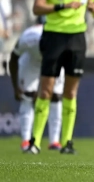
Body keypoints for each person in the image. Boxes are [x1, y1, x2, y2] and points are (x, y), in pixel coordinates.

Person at [25, 0, 94, 154]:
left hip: (77, 38)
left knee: (71, 91)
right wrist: (62, 6)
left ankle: (67, 142)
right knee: (47, 89)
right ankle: (35, 141)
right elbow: (37, 8)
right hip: (54, 37)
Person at [9, 16, 64, 151]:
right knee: (27, 96)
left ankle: (54, 141)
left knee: (56, 96)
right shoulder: (28, 38)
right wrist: (16, 87)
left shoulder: (60, 38)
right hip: (32, 60)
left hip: (53, 60)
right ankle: (26, 140)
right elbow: (13, 59)